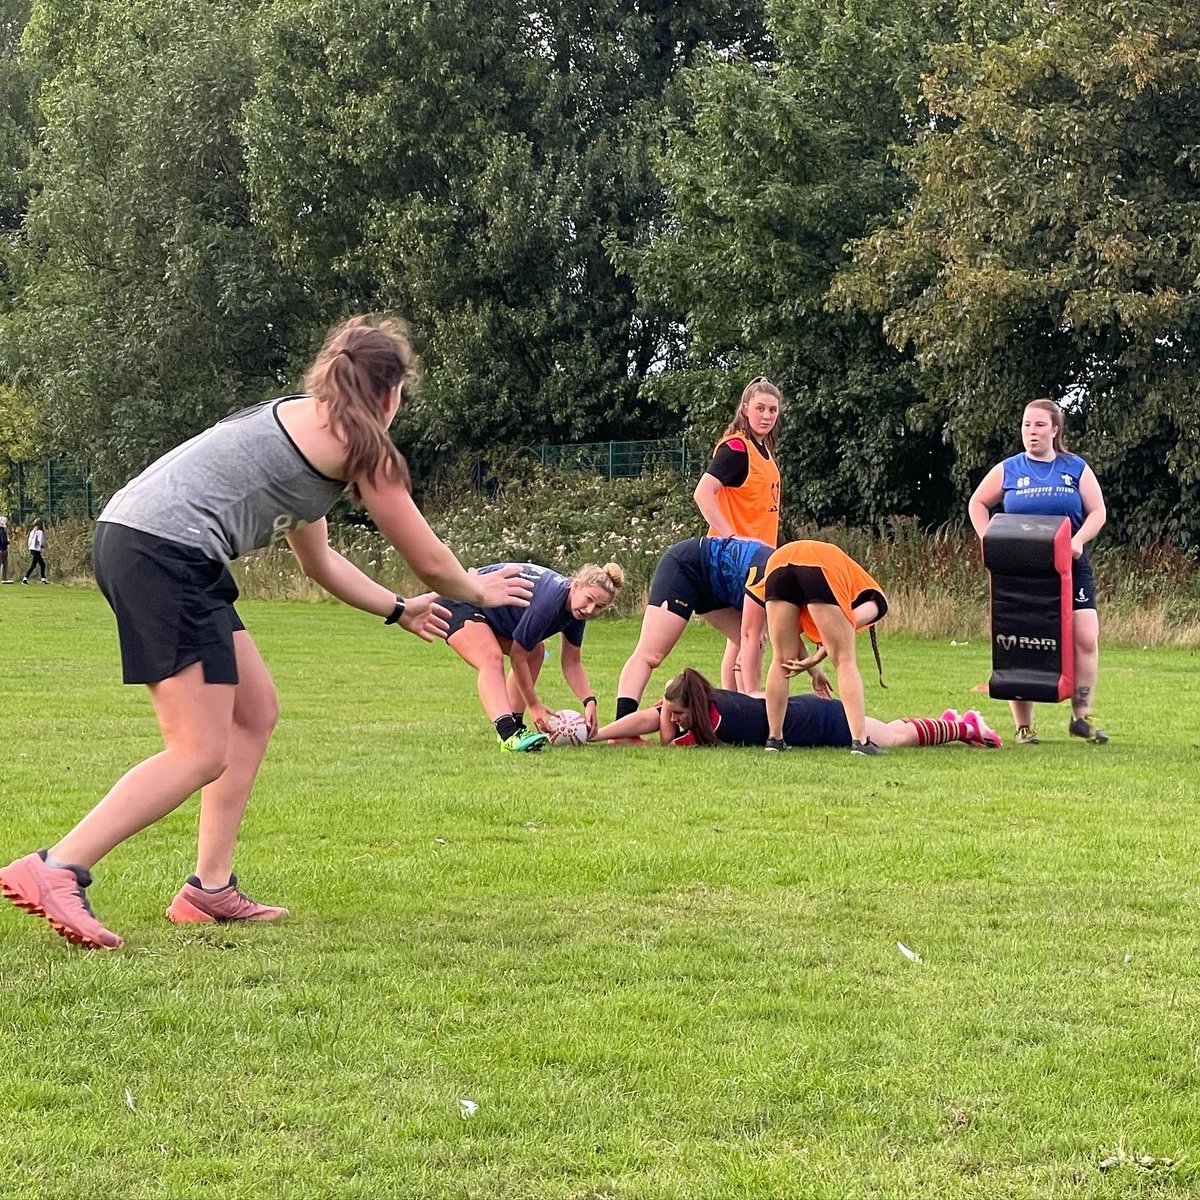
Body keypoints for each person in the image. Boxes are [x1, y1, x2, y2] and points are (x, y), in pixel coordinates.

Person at [0, 315, 535, 951]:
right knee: (199, 750)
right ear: (391, 394)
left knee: (254, 711)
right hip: (167, 553)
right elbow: (431, 561)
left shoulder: (299, 426)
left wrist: (398, 610)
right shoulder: (366, 452)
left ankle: (209, 888)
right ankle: (58, 867)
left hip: (148, 542)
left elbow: (320, 563)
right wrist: (479, 591)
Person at [968, 397, 1108, 744]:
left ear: (1055, 430)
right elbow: (977, 503)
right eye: (1027, 424)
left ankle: (1081, 717)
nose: (1032, 431)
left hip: (1070, 567)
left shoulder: (1075, 467)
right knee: (1018, 641)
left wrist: (1078, 540)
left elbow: (1098, 512)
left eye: (1040, 424)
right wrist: (989, 539)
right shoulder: (1009, 469)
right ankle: (1024, 726)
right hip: (1019, 570)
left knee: (1086, 636)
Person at [440, 561, 624, 751]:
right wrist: (534, 705)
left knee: (536, 652)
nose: (590, 610)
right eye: (589, 599)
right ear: (576, 586)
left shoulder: (576, 611)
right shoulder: (550, 602)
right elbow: (518, 656)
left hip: (485, 608)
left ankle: (516, 726)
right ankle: (508, 734)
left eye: (599, 607)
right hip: (459, 601)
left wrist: (589, 700)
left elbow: (572, 662)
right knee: (491, 658)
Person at [593, 667, 1001, 750]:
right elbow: (650, 717)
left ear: (692, 708)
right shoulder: (708, 700)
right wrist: (599, 735)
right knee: (889, 727)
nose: (672, 718)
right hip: (805, 712)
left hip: (819, 721)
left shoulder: (715, 722)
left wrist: (664, 720)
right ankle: (950, 721)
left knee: (894, 737)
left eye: (677, 713)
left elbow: (666, 740)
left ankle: (966, 726)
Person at [746, 540, 888, 755]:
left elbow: (800, 637)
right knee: (845, 660)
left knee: (781, 659)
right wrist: (817, 657)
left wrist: (814, 667)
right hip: (819, 565)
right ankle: (860, 741)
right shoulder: (875, 599)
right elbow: (847, 625)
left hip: (778, 563)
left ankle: (775, 739)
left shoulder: (842, 574)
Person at [613, 535, 772, 722]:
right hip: (686, 566)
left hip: (715, 586)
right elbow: (749, 634)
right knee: (650, 655)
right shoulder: (771, 575)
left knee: (755, 643)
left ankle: (741, 714)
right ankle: (622, 725)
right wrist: (753, 691)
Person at [692, 377, 783, 690]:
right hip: (738, 559)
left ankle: (733, 702)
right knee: (752, 636)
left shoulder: (762, 449)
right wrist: (732, 539)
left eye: (773, 410)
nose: (767, 415)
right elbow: (703, 493)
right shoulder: (736, 448)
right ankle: (746, 699)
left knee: (743, 637)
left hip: (758, 555)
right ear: (745, 408)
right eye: (760, 408)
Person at [22, 517, 47, 584]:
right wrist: (43, 545)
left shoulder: (32, 532)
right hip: (36, 549)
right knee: (42, 564)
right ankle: (43, 579)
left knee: (34, 565)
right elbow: (41, 541)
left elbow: (29, 541)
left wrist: (30, 547)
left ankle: (25, 578)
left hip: (32, 549)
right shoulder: (40, 532)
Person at [0, 515, 10, 582]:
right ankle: (4, 578)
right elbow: (3, 541)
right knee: (5, 563)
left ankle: (4, 578)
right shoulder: (2, 531)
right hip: (2, 550)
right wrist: (7, 542)